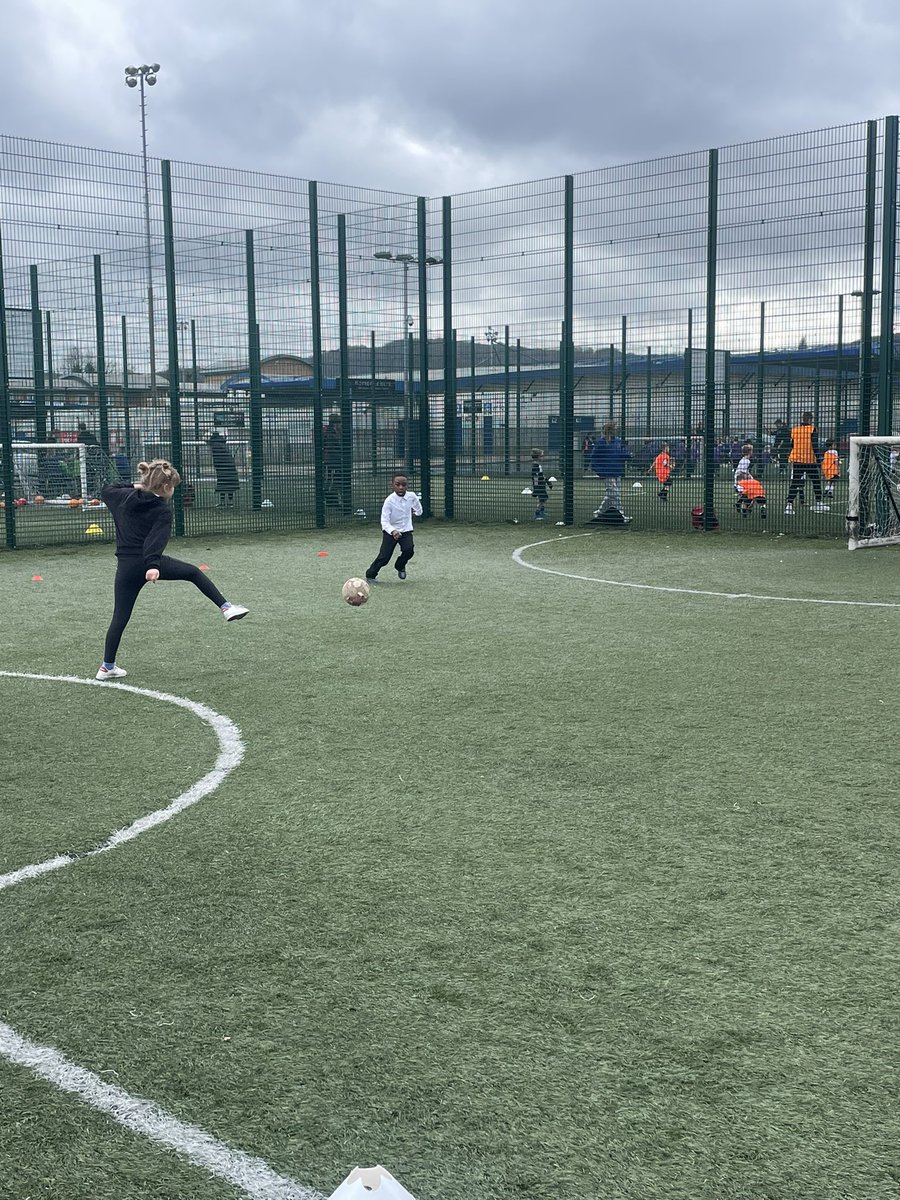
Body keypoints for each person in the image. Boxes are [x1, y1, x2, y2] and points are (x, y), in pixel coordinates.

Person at [95, 459, 248, 681]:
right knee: (193, 573)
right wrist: (153, 565)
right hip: (147, 563)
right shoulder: (161, 510)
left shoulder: (121, 497)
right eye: (173, 486)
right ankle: (226, 607)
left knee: (120, 616)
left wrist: (140, 486)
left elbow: (108, 488)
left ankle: (107, 666)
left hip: (126, 566)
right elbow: (155, 540)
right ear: (166, 488)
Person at [365, 472, 422, 583]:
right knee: (384, 557)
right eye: (397, 484)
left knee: (409, 550)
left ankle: (400, 566)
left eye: (404, 484)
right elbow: (384, 521)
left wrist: (416, 513)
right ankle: (370, 575)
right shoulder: (389, 501)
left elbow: (419, 509)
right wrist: (393, 531)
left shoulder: (412, 496)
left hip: (406, 531)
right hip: (390, 532)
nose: (401, 487)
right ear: (392, 485)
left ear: (407, 485)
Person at [785, 411, 828, 515]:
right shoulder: (812, 429)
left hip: (797, 459)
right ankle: (818, 503)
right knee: (816, 481)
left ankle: (789, 505)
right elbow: (815, 446)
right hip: (809, 459)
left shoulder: (794, 430)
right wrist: (818, 459)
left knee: (795, 482)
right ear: (810, 419)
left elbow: (792, 444)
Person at [590, 421, 631, 518]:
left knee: (611, 494)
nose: (616, 430)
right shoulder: (601, 442)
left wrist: (628, 455)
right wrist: (599, 471)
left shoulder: (618, 441)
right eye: (615, 428)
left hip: (616, 471)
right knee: (614, 493)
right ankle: (621, 514)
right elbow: (594, 457)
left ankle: (600, 512)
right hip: (607, 473)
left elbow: (621, 453)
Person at [206, 431, 240, 508]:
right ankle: (230, 502)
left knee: (222, 483)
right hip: (229, 466)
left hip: (222, 467)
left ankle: (222, 502)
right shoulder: (222, 443)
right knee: (229, 483)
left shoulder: (215, 444)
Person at [323, 413, 344, 508]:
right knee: (332, 481)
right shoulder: (331, 434)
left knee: (334, 480)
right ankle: (331, 500)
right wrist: (340, 456)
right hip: (332, 461)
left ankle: (332, 500)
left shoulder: (332, 432)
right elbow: (331, 448)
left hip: (333, 460)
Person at [530, 447, 552, 520]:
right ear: (538, 457)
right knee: (542, 499)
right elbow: (535, 477)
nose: (543, 457)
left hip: (541, 484)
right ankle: (537, 513)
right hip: (539, 485)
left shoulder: (538, 465)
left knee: (543, 498)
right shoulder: (535, 466)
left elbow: (541, 475)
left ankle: (541, 511)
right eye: (542, 456)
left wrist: (548, 482)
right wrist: (536, 487)